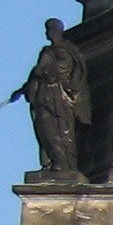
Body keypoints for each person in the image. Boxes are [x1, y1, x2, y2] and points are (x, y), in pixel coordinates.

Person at [11, 18, 89, 177]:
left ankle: (62, 163)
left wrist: (44, 68)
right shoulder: (49, 51)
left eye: (49, 30)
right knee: (43, 128)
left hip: (55, 97)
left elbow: (61, 69)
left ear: (56, 31)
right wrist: (22, 90)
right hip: (43, 95)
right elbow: (37, 74)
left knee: (55, 129)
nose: (48, 34)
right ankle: (53, 162)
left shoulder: (62, 51)